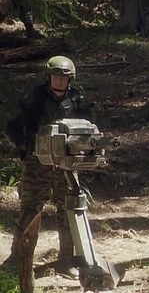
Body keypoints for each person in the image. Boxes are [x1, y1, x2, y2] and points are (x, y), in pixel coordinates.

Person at [2, 56, 91, 271]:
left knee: (68, 210)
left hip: (66, 164)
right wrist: (28, 146)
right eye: (55, 76)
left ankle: (66, 261)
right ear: (48, 77)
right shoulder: (34, 98)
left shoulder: (78, 101)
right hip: (37, 164)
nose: (59, 80)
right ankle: (18, 259)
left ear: (70, 79)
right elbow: (12, 127)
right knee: (30, 209)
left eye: (63, 77)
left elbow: (88, 130)